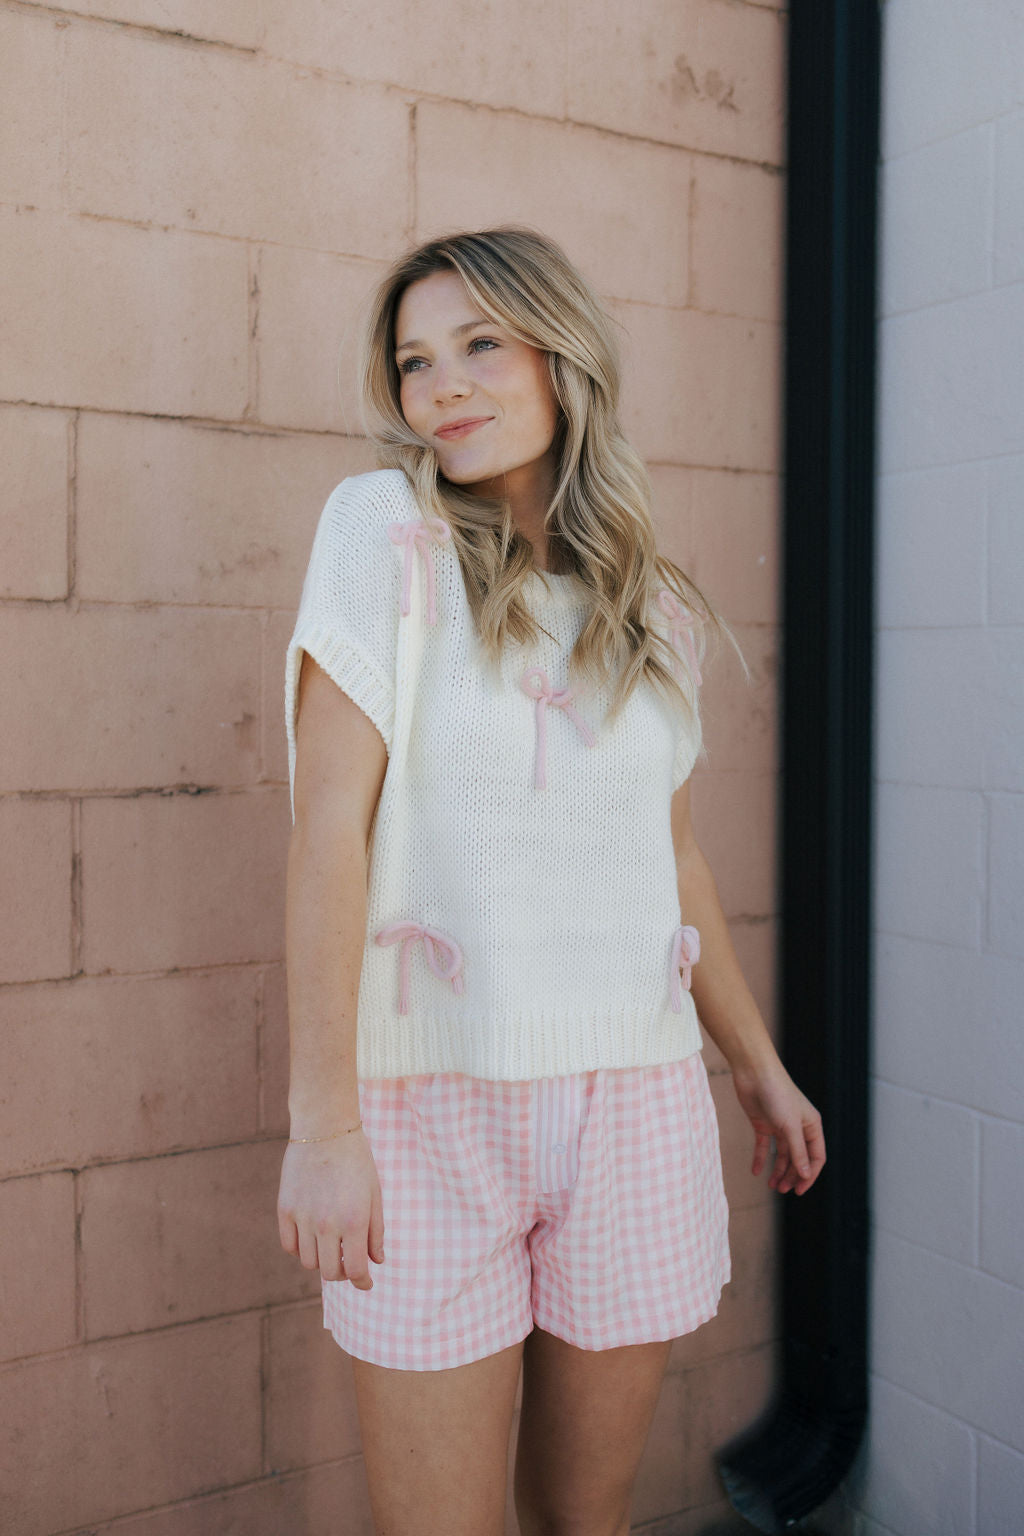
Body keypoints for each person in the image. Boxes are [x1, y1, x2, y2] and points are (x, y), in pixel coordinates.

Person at [276, 226, 825, 1536]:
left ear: (561, 355)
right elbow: (328, 832)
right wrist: (323, 1126)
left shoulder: (655, 607)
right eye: (415, 361)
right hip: (428, 1109)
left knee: (589, 1522)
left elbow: (669, 859)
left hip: (634, 1105)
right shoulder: (384, 533)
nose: (441, 387)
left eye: (479, 344)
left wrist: (756, 1064)